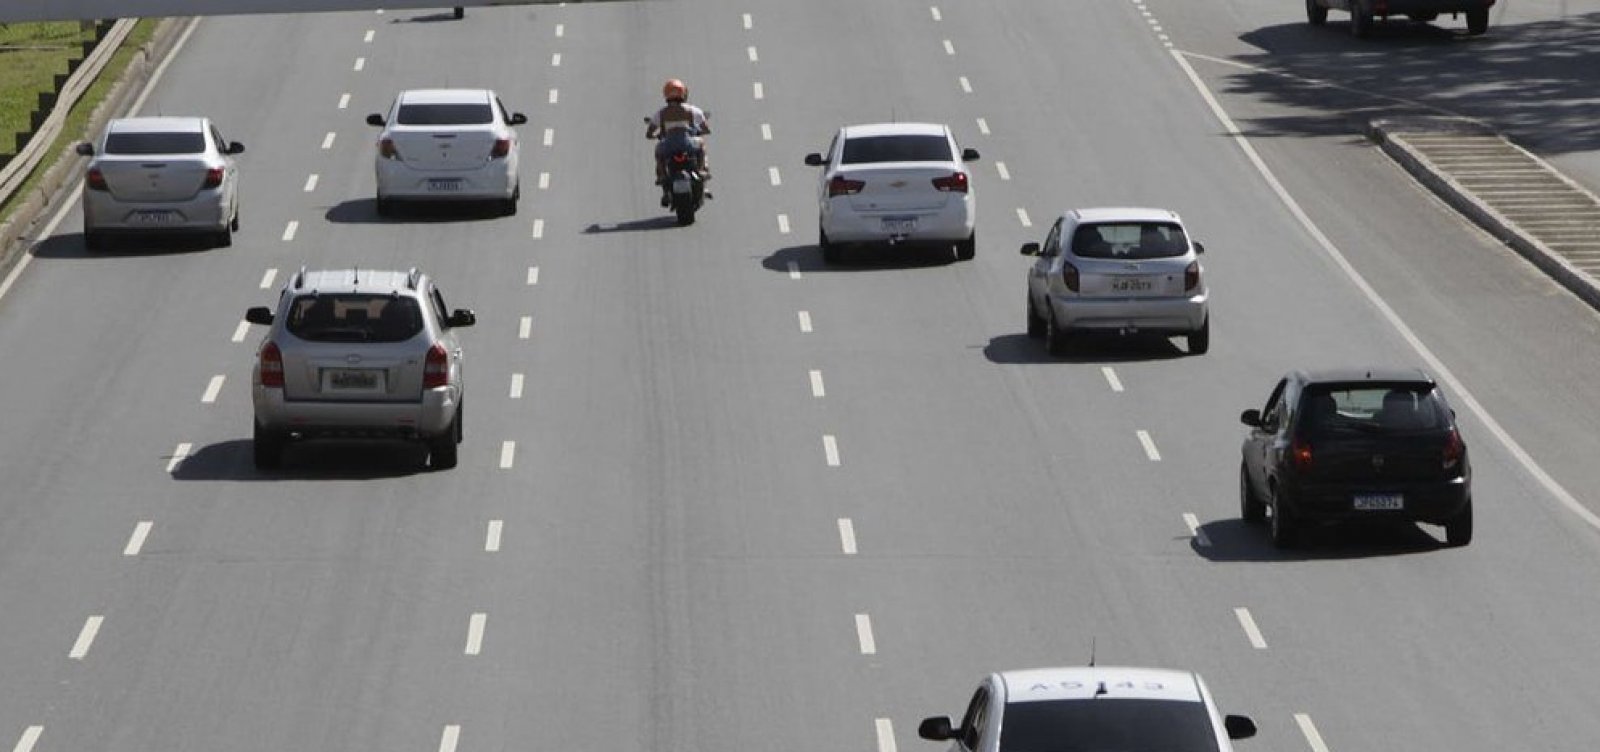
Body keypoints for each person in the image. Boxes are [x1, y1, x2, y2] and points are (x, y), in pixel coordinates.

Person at [644, 79, 710, 205]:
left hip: (668, 146)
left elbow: (649, 133)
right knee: (701, 144)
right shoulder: (693, 111)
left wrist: (655, 136)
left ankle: (662, 177)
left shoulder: (661, 113)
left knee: (659, 153)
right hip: (688, 145)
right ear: (683, 93)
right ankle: (702, 169)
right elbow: (705, 129)